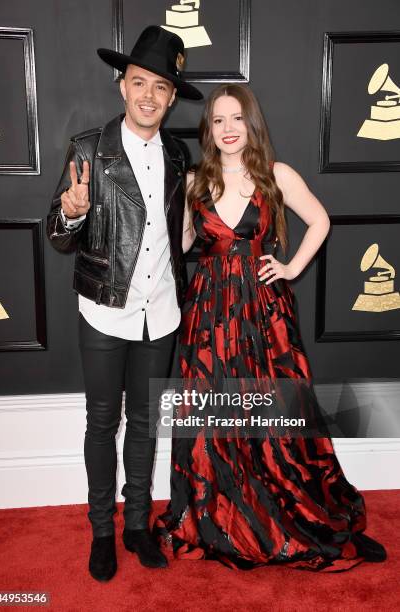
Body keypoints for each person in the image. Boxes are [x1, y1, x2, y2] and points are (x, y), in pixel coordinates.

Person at [155, 83, 387, 571]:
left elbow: (320, 221)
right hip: (211, 313)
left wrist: (291, 267)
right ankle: (218, 512)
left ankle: (284, 510)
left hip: (263, 312)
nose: (228, 129)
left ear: (251, 122)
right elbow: (180, 242)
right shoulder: (197, 180)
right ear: (209, 129)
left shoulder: (276, 175)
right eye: (217, 121)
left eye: (236, 118)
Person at [46, 25, 203, 582]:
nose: (149, 96)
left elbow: (176, 235)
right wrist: (71, 211)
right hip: (105, 310)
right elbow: (59, 235)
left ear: (170, 97)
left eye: (161, 87)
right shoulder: (89, 148)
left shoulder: (181, 155)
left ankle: (137, 524)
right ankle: (102, 531)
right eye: (140, 83)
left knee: (144, 423)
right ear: (122, 85)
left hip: (160, 312)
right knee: (101, 422)